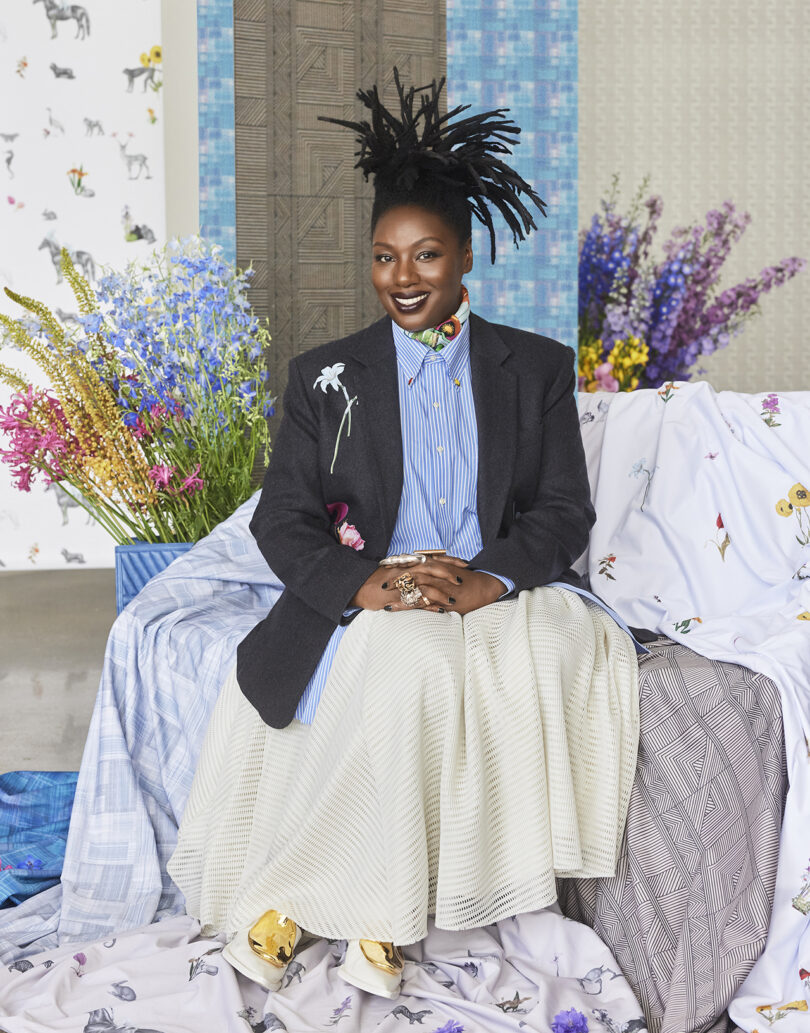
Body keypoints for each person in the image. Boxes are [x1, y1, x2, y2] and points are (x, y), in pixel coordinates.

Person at [167, 70, 640, 1001]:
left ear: (465, 256)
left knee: (446, 662)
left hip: (489, 584)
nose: (403, 279)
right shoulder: (325, 374)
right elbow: (283, 515)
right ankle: (368, 911)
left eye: (425, 256)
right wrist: (360, 585)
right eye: (384, 257)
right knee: (394, 656)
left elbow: (561, 511)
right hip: (376, 577)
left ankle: (323, 908)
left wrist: (484, 581)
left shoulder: (532, 368)